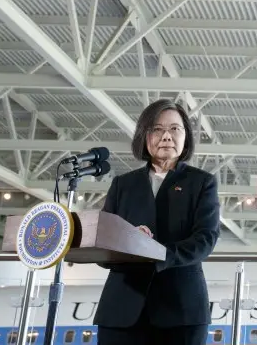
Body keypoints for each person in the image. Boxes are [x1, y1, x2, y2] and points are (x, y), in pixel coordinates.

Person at [93, 99, 221, 345]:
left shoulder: (202, 182)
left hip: (181, 309)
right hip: (122, 309)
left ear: (186, 137)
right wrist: (127, 239)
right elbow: (103, 241)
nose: (166, 136)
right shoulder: (123, 184)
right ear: (144, 135)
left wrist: (155, 252)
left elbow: (205, 239)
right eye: (157, 129)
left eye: (175, 129)